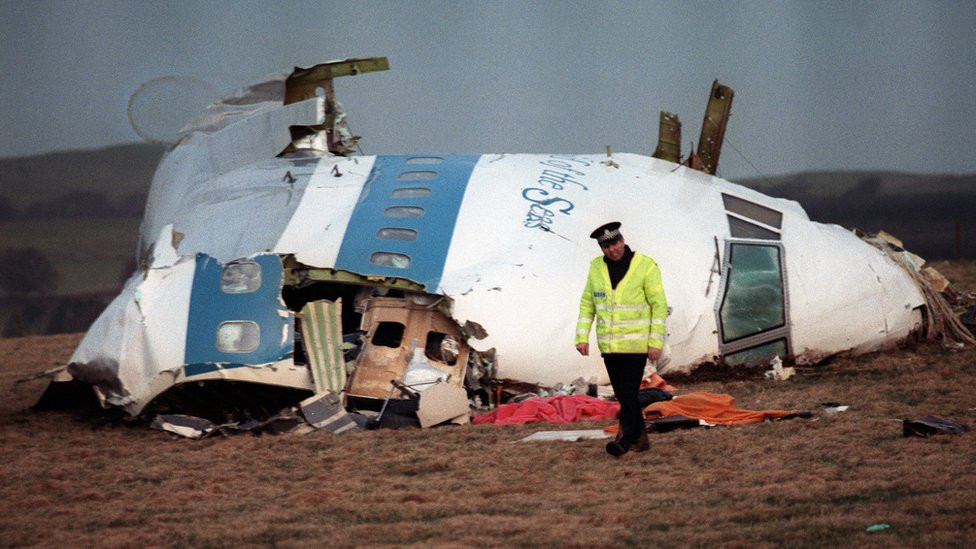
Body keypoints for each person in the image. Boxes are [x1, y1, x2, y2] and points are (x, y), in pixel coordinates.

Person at [575, 221, 668, 457]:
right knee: (625, 397)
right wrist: (581, 336)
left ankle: (624, 441)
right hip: (610, 346)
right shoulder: (596, 268)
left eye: (615, 243)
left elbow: (659, 306)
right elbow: (588, 304)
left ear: (622, 240)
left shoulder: (645, 266)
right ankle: (641, 439)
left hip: (636, 346)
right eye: (606, 246)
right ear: (601, 248)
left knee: (627, 395)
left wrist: (655, 342)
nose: (612, 249)